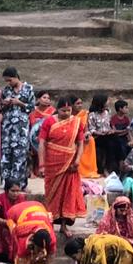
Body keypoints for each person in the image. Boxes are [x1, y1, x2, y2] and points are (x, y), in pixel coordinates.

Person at [41, 99, 86, 238]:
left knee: (67, 193)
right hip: (52, 162)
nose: (66, 113)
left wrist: (77, 160)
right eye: (63, 111)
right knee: (52, 194)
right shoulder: (48, 122)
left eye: (69, 111)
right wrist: (41, 164)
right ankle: (49, 224)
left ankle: (64, 225)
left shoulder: (77, 122)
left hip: (70, 163)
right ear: (57, 109)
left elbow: (80, 142)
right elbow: (42, 143)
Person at [4, 199, 57, 264]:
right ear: (32, 242)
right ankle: (25, 260)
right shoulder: (24, 239)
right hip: (15, 213)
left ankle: (33, 262)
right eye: (39, 249)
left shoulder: (52, 239)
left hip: (38, 207)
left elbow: (49, 263)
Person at [0, 67, 34, 190]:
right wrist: (5, 103)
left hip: (21, 127)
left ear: (15, 77)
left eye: (10, 80)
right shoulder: (6, 90)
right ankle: (7, 183)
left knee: (20, 155)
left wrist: (20, 103)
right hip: (8, 127)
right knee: (6, 154)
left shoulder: (28, 89)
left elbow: (32, 107)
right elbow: (1, 108)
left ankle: (20, 184)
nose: (8, 83)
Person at [95, 195, 133, 263]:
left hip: (126, 242)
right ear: (115, 209)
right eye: (121, 210)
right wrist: (123, 241)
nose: (124, 213)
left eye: (126, 210)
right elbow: (103, 236)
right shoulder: (107, 221)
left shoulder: (129, 218)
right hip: (112, 243)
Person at [86, 93, 126, 175]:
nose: (108, 102)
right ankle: (109, 167)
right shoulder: (92, 115)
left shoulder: (107, 112)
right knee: (111, 141)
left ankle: (119, 162)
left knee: (114, 139)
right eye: (107, 100)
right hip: (98, 137)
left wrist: (110, 130)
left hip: (108, 135)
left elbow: (109, 124)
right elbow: (91, 129)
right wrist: (101, 133)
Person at [0, 180, 26, 262]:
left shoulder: (21, 198)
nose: (15, 194)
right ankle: (1, 254)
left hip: (16, 222)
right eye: (13, 191)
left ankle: (17, 255)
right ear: (6, 190)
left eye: (17, 191)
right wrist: (6, 222)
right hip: (0, 222)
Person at [27, 90, 53, 178]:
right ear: (38, 99)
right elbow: (30, 126)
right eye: (44, 97)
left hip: (48, 137)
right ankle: (31, 171)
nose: (46, 100)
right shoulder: (32, 112)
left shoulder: (53, 112)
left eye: (48, 98)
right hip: (34, 137)